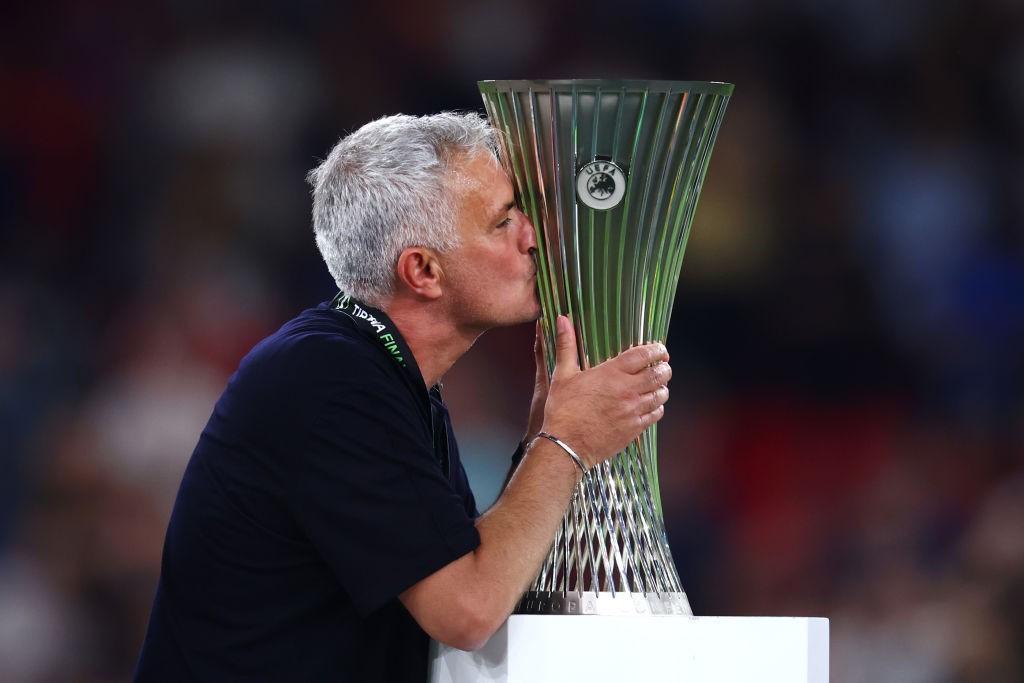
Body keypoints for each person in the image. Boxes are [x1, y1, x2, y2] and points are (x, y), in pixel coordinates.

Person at [134, 112, 672, 682]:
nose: (533, 236)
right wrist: (566, 441)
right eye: (502, 221)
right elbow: (467, 612)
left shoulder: (379, 375)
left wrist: (546, 431)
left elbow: (484, 578)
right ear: (423, 270)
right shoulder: (324, 380)